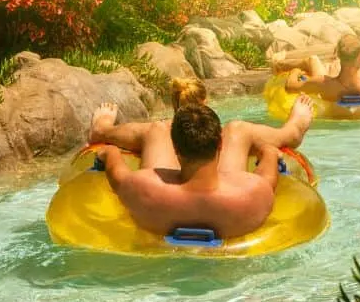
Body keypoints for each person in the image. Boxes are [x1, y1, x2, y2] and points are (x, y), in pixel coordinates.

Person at [91, 97, 313, 238]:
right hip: (230, 198)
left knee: (157, 129)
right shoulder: (255, 191)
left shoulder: (140, 186)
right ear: (220, 144)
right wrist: (268, 152)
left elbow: (115, 171)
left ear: (174, 146)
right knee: (238, 129)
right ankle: (292, 132)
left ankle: (102, 131)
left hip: (163, 198)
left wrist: (109, 152)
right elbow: (268, 175)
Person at [90, 77, 312, 154]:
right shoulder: (234, 135)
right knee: (281, 133)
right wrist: (294, 124)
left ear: (173, 104)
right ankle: (295, 121)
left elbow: (110, 136)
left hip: (161, 204)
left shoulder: (155, 132)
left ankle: (103, 125)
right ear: (205, 103)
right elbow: (288, 139)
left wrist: (104, 130)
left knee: (152, 130)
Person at [271, 32, 360, 103]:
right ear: (359, 58)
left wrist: (295, 72)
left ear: (338, 56)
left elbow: (290, 86)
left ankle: (278, 63)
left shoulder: (322, 83)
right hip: (358, 80)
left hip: (332, 85)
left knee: (312, 60)